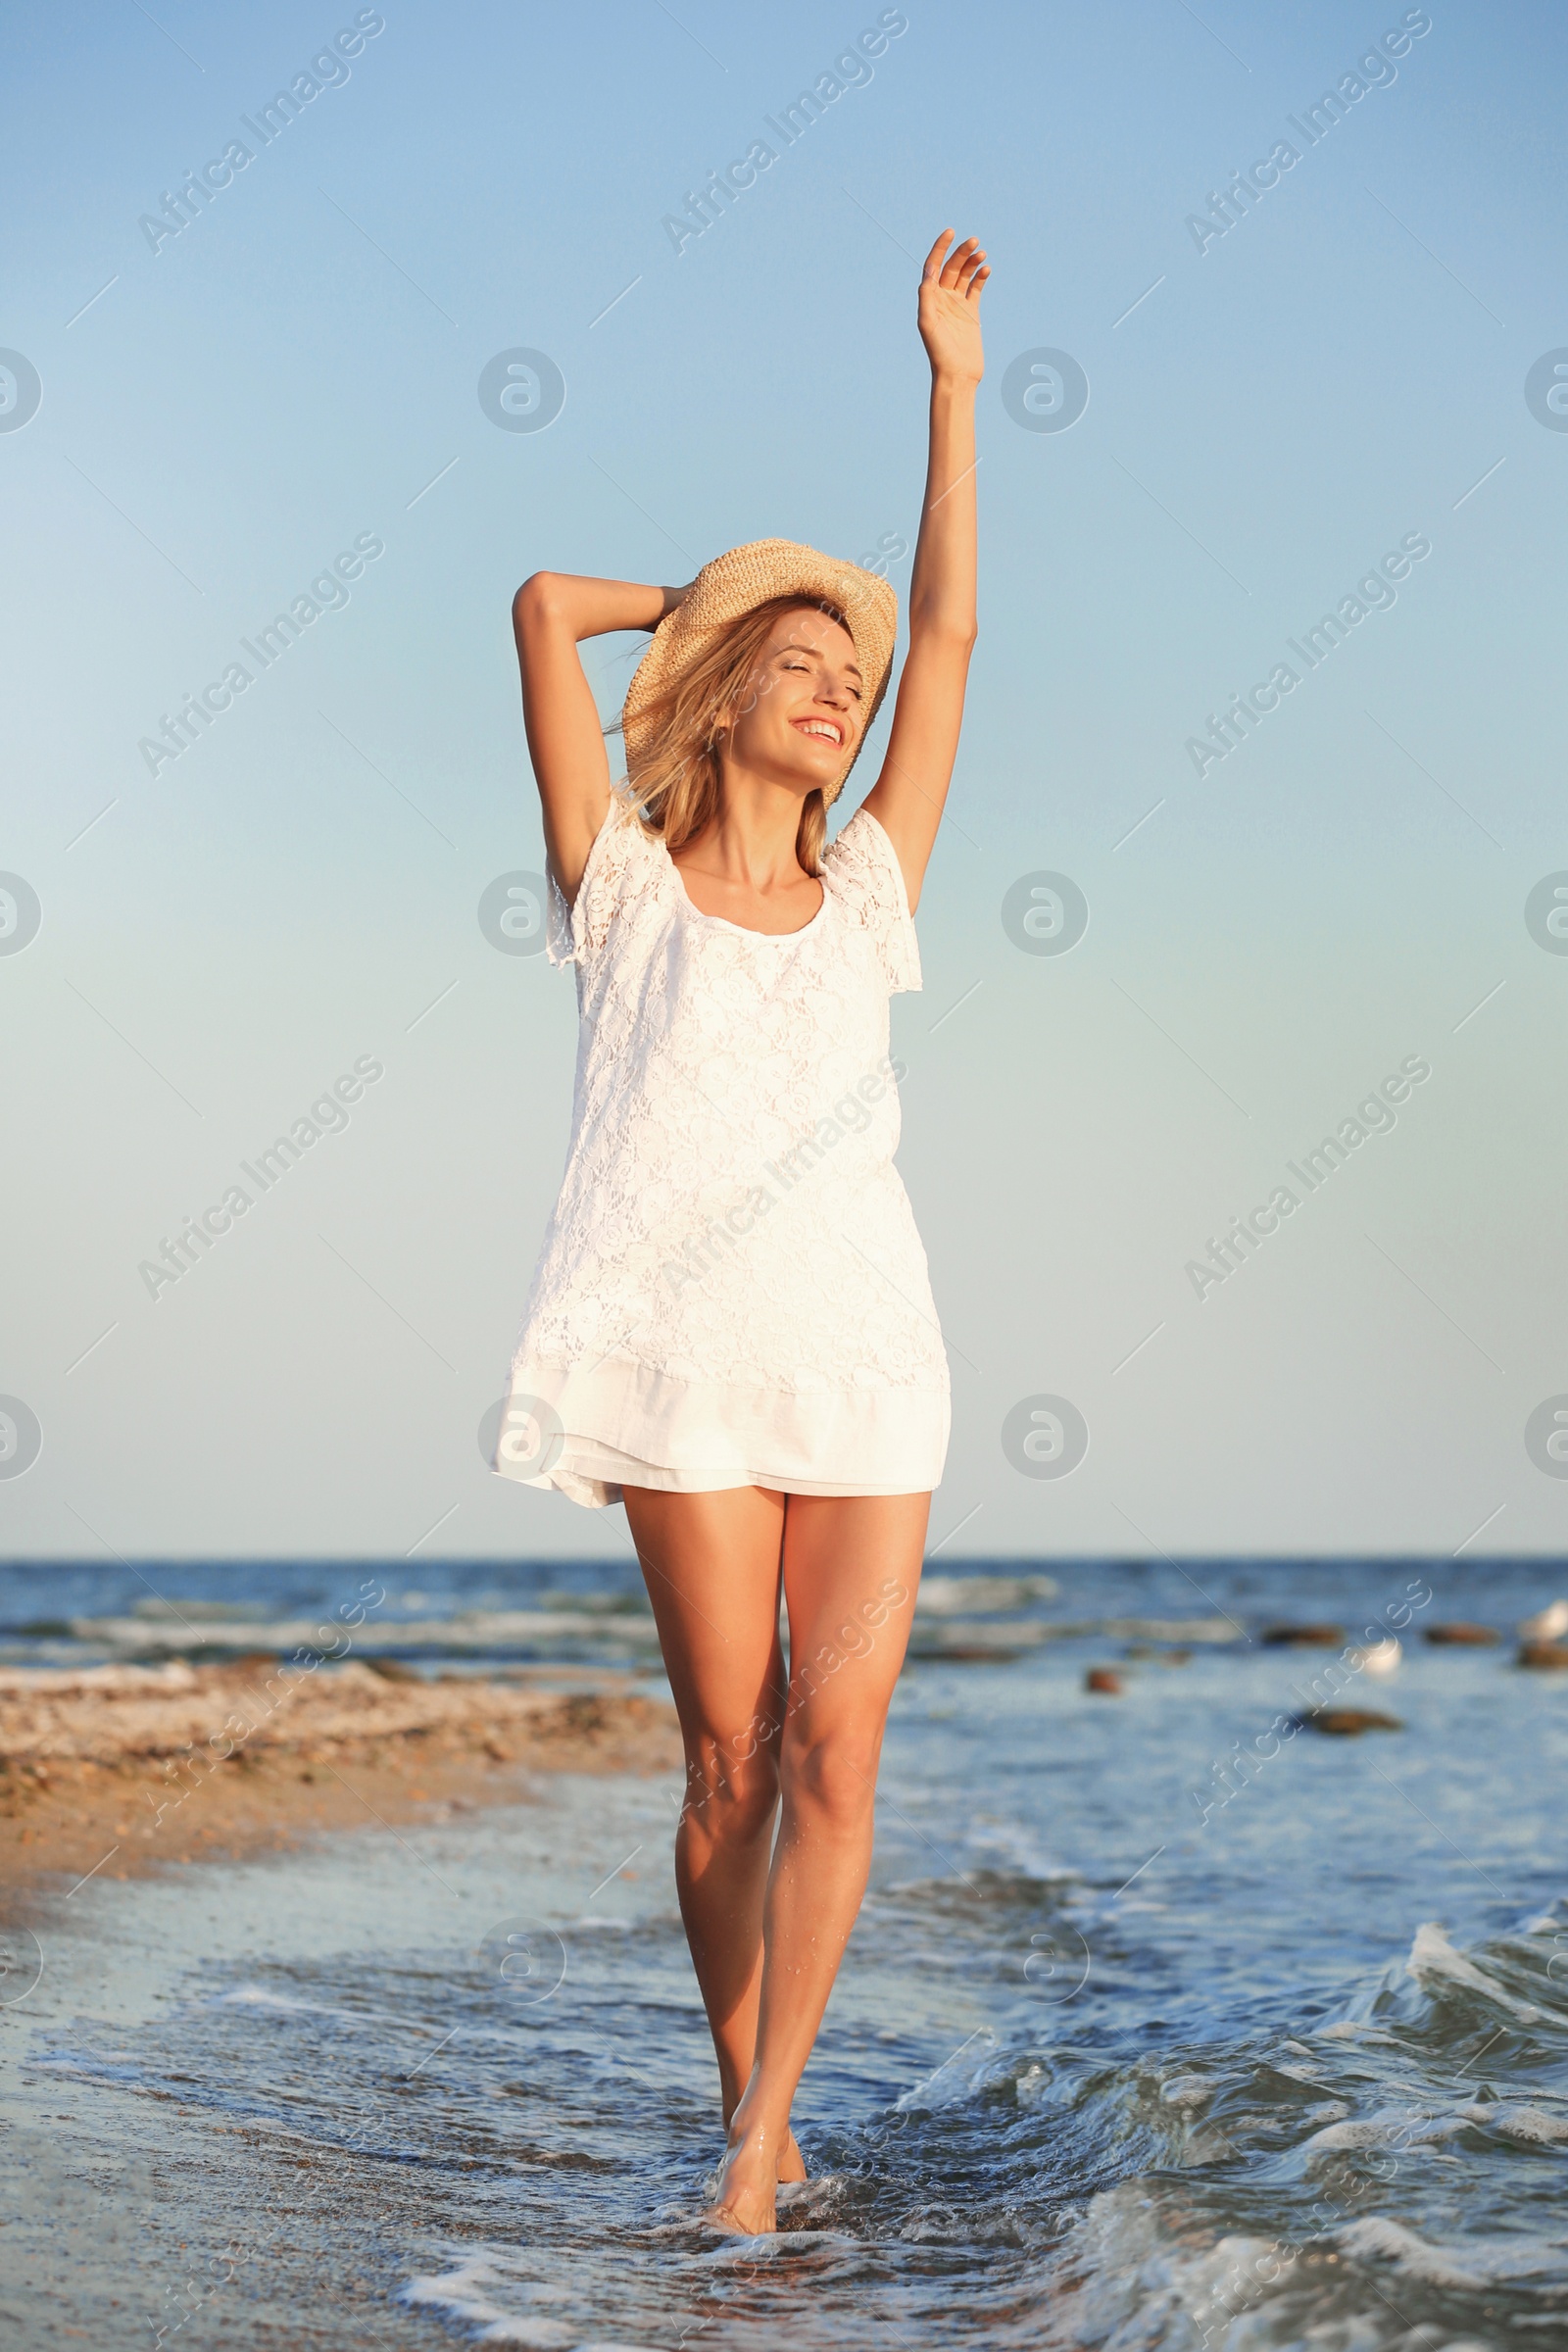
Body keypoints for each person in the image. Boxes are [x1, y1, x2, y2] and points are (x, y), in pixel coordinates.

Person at [497, 229, 988, 2232]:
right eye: (801, 668)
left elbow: (947, 643)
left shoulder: (872, 884)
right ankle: (746, 2103)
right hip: (675, 1343)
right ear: (717, 703)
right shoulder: (613, 884)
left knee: (840, 1752)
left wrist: (950, 389)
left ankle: (761, 2136)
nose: (842, 686)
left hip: (862, 1343)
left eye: (842, 676)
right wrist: (708, 595)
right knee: (728, 1754)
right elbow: (541, 603)